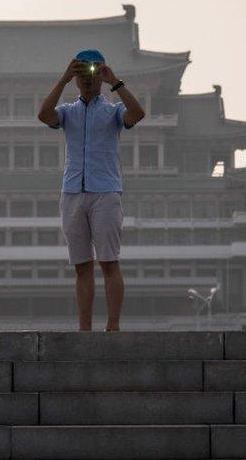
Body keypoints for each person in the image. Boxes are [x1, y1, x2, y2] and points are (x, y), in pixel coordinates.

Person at [37, 49, 145, 331]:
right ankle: (84, 326)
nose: (88, 78)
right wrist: (62, 79)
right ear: (76, 77)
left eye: (93, 72)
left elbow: (138, 114)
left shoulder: (113, 111)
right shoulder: (68, 113)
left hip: (106, 193)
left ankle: (113, 324)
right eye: (82, 73)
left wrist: (115, 82)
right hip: (72, 192)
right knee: (82, 266)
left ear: (101, 75)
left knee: (109, 261)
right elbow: (43, 115)